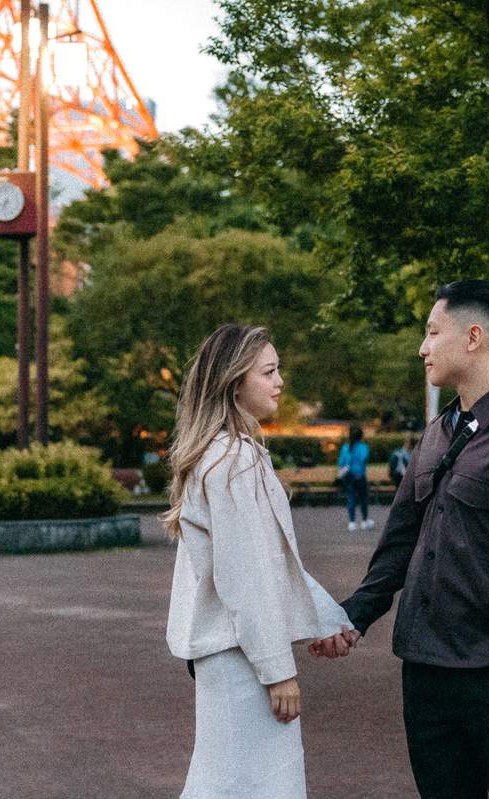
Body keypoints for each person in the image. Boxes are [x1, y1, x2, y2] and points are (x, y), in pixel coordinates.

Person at [313, 281, 489, 799]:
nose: (423, 347)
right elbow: (399, 542)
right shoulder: (438, 432)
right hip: (425, 667)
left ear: (473, 337)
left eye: (433, 332)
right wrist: (351, 617)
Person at [164, 324, 356, 799]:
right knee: (252, 787)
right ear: (234, 382)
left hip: (228, 656)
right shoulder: (234, 462)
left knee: (226, 783)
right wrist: (279, 671)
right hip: (241, 661)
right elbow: (246, 579)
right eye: (269, 371)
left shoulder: (221, 455)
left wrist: (329, 619)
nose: (280, 381)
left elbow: (270, 562)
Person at [337, 424, 373, 531]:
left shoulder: (345, 447)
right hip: (360, 476)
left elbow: (341, 463)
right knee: (363, 499)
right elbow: (364, 460)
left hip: (349, 477)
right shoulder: (363, 447)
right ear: (361, 436)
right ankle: (364, 521)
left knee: (351, 498)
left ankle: (352, 522)